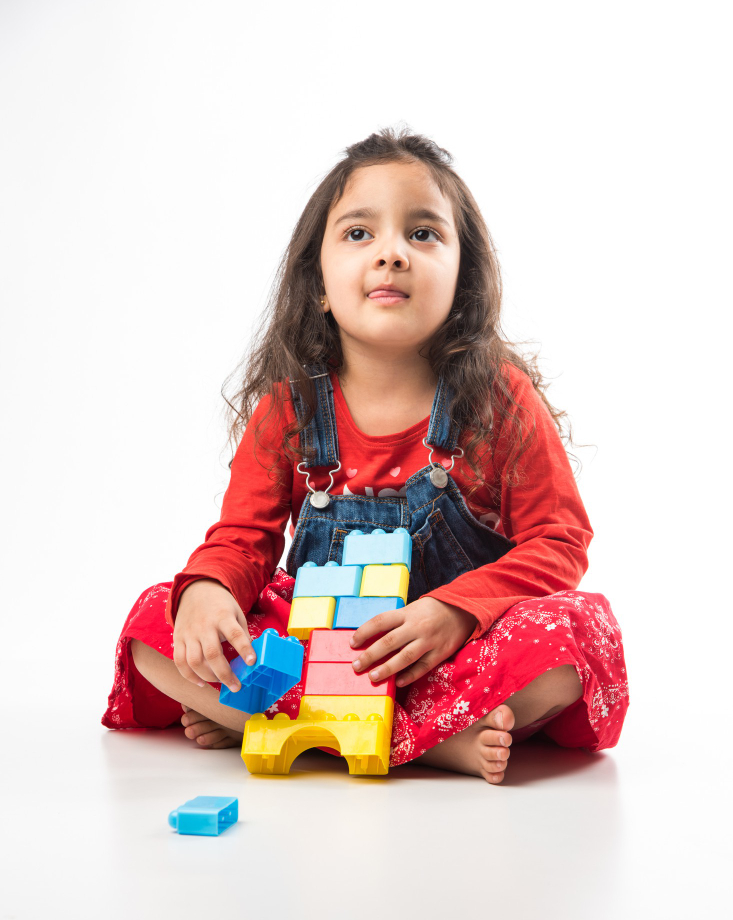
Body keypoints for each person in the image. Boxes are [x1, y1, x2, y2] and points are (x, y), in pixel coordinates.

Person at [101, 126, 629, 785]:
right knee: (159, 616)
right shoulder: (288, 408)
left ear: (462, 278)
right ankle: (430, 743)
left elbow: (558, 543)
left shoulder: (499, 399)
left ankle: (279, 725)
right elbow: (243, 541)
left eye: (422, 233)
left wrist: (457, 610)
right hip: (325, 655)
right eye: (358, 234)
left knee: (574, 633)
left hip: (458, 658)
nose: (391, 254)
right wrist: (208, 592)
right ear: (317, 281)